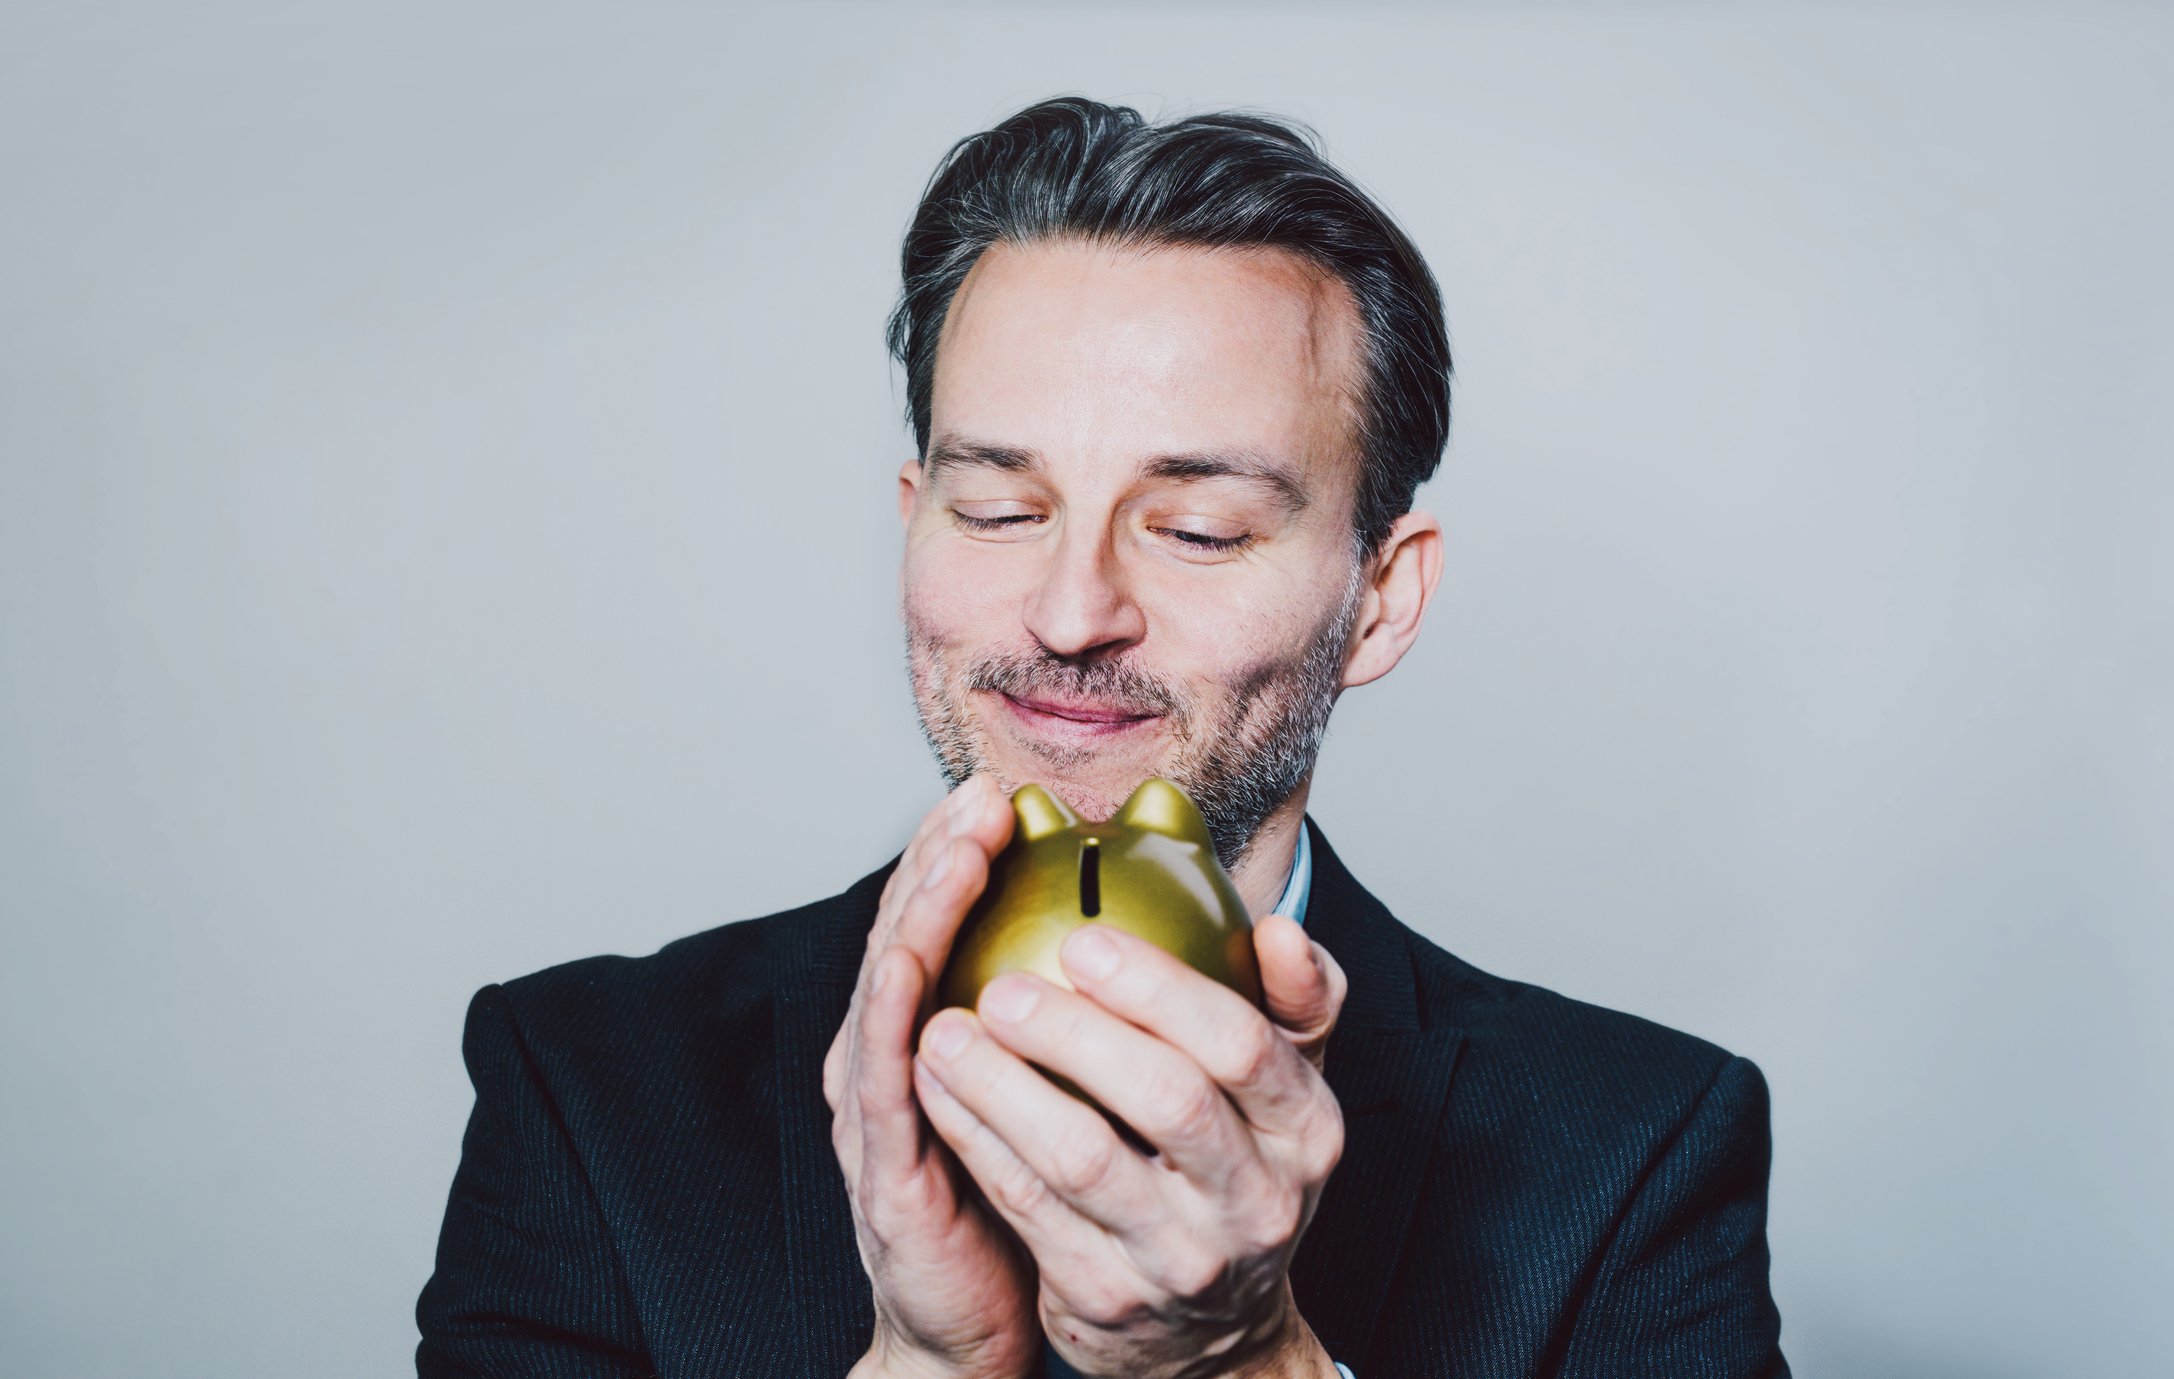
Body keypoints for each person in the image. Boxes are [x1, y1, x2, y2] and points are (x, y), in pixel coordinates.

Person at [416, 97, 1789, 1379]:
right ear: (912, 519)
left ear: (1380, 599)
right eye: (1000, 512)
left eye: (1197, 530)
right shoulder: (587, 1089)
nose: (1071, 613)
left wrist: (1248, 1362)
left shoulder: (1633, 1154)